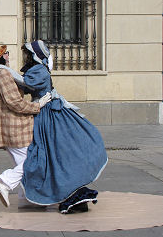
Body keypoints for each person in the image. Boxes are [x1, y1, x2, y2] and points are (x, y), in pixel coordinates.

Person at [19, 41, 108, 214]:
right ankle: (66, 191)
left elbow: (24, 84)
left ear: (35, 55)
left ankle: (63, 191)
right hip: (50, 112)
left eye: (28, 54)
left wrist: (3, 71)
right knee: (60, 153)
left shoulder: (38, 70)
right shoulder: (38, 69)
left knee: (52, 153)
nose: (26, 57)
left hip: (48, 115)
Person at [0, 43, 51, 208]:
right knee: (33, 161)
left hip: (8, 129)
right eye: (6, 53)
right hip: (15, 128)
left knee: (23, 164)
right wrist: (38, 106)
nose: (8, 56)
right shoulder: (2, 74)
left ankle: (27, 199)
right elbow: (14, 102)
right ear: (1, 57)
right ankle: (5, 183)